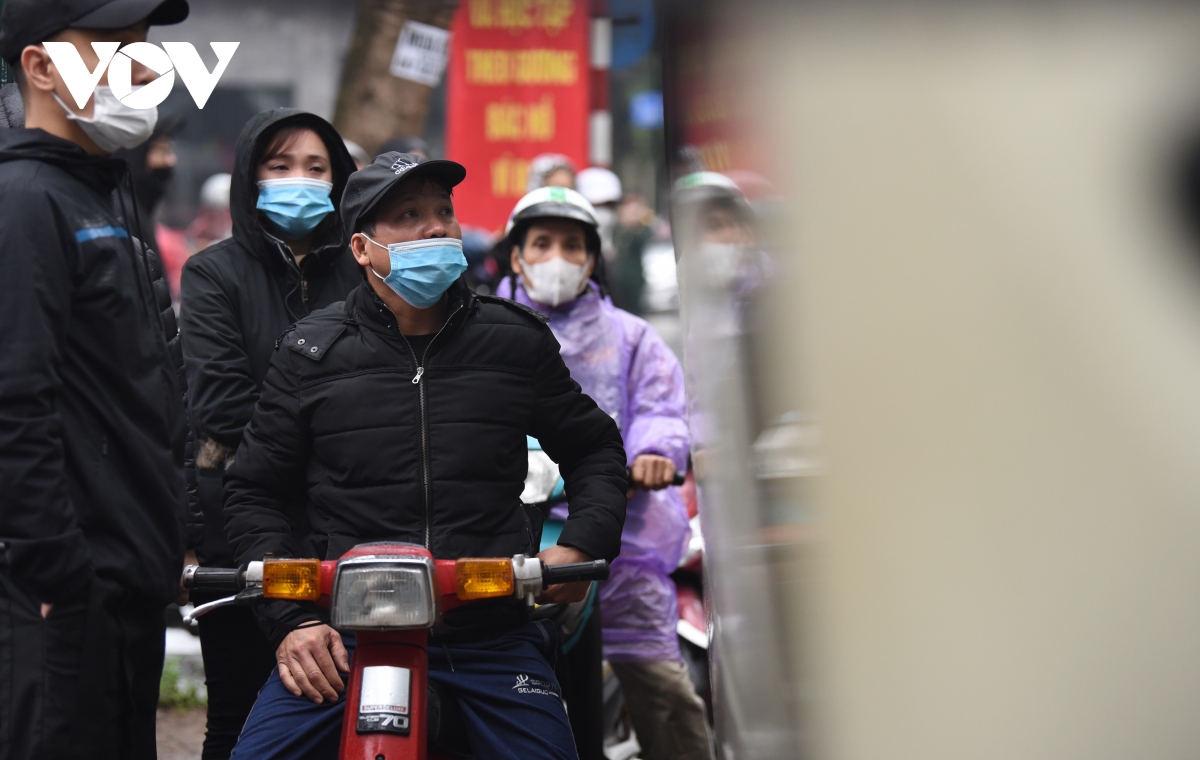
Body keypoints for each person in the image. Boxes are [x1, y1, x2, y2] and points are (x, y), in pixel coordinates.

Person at [221, 152, 629, 760]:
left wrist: (582, 543)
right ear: (362, 249)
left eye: (444, 211)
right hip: (345, 637)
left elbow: (595, 447)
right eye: (409, 215)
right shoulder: (310, 352)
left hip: (491, 634)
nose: (436, 227)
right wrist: (294, 623)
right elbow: (253, 491)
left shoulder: (514, 340)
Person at [0, 0, 191, 758]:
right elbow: (15, 401)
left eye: (141, 45)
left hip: (125, 586)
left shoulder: (101, 190)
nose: (139, 64)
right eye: (109, 45)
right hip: (64, 597)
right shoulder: (25, 202)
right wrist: (59, 572)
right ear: (41, 66)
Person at [499, 186, 713, 760]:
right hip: (506, 538)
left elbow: (663, 409)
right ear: (516, 255)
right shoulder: (480, 331)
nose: (557, 258)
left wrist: (653, 454)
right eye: (541, 243)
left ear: (593, 258)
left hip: (622, 540)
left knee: (662, 685)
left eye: (572, 245)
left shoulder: (633, 337)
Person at [179, 108, 360, 760]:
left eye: (316, 168)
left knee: (350, 706)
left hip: (351, 523)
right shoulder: (213, 273)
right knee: (238, 712)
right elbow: (222, 406)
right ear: (249, 177)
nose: (299, 181)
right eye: (279, 166)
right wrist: (344, 432)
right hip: (238, 518)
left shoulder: (363, 271)